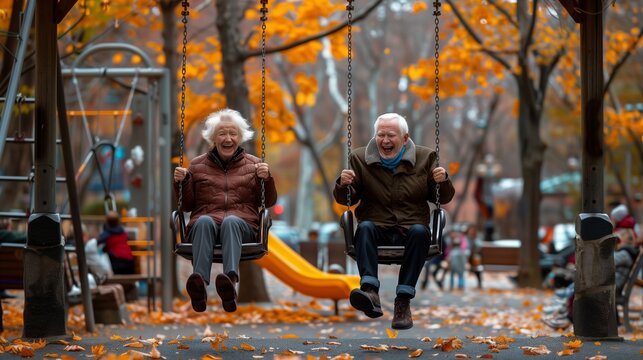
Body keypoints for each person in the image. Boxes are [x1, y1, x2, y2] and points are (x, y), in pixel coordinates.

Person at [333, 112, 455, 330]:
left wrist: (442, 180)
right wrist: (343, 185)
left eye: (391, 135)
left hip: (410, 229)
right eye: (381, 135)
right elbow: (348, 199)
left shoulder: (426, 158)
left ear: (405, 138)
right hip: (376, 227)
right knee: (365, 228)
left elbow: (442, 198)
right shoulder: (359, 159)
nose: (385, 140)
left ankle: (403, 302)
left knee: (420, 232)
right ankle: (370, 292)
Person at [174, 108, 278, 313]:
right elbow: (186, 206)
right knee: (203, 221)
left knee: (231, 221)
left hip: (243, 225)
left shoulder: (255, 164)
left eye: (233, 133)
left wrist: (266, 179)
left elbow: (269, 201)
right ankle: (200, 286)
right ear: (213, 138)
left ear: (240, 137)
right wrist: (181, 183)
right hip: (205, 224)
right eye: (222, 133)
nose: (227, 138)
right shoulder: (196, 165)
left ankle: (229, 282)